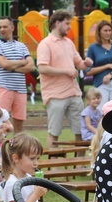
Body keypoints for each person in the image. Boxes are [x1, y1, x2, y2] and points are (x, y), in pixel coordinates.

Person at [36, 10, 94, 147]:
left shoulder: (69, 42)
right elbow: (42, 68)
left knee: (81, 131)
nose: (69, 27)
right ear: (57, 23)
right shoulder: (45, 44)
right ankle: (54, 167)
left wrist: (86, 63)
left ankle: (81, 163)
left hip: (74, 93)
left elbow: (79, 64)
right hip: (55, 95)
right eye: (67, 23)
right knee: (54, 132)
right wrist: (66, 71)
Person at [0, 17, 35, 133]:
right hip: (3, 87)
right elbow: (3, 64)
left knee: (19, 123)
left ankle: (17, 148)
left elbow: (31, 67)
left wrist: (11, 66)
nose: (2, 29)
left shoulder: (21, 46)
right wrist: (22, 62)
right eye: (0, 27)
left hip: (20, 89)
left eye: (5, 27)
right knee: (0, 122)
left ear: (12, 28)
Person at [0, 133, 46, 202]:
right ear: (16, 158)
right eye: (32, 158)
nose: (36, 163)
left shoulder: (29, 178)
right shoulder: (12, 184)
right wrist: (36, 194)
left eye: (37, 158)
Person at [85, 20, 112, 104]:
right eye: (105, 31)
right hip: (101, 83)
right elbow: (88, 71)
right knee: (101, 110)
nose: (108, 33)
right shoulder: (93, 48)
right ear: (99, 32)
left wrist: (111, 74)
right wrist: (107, 66)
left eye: (110, 30)